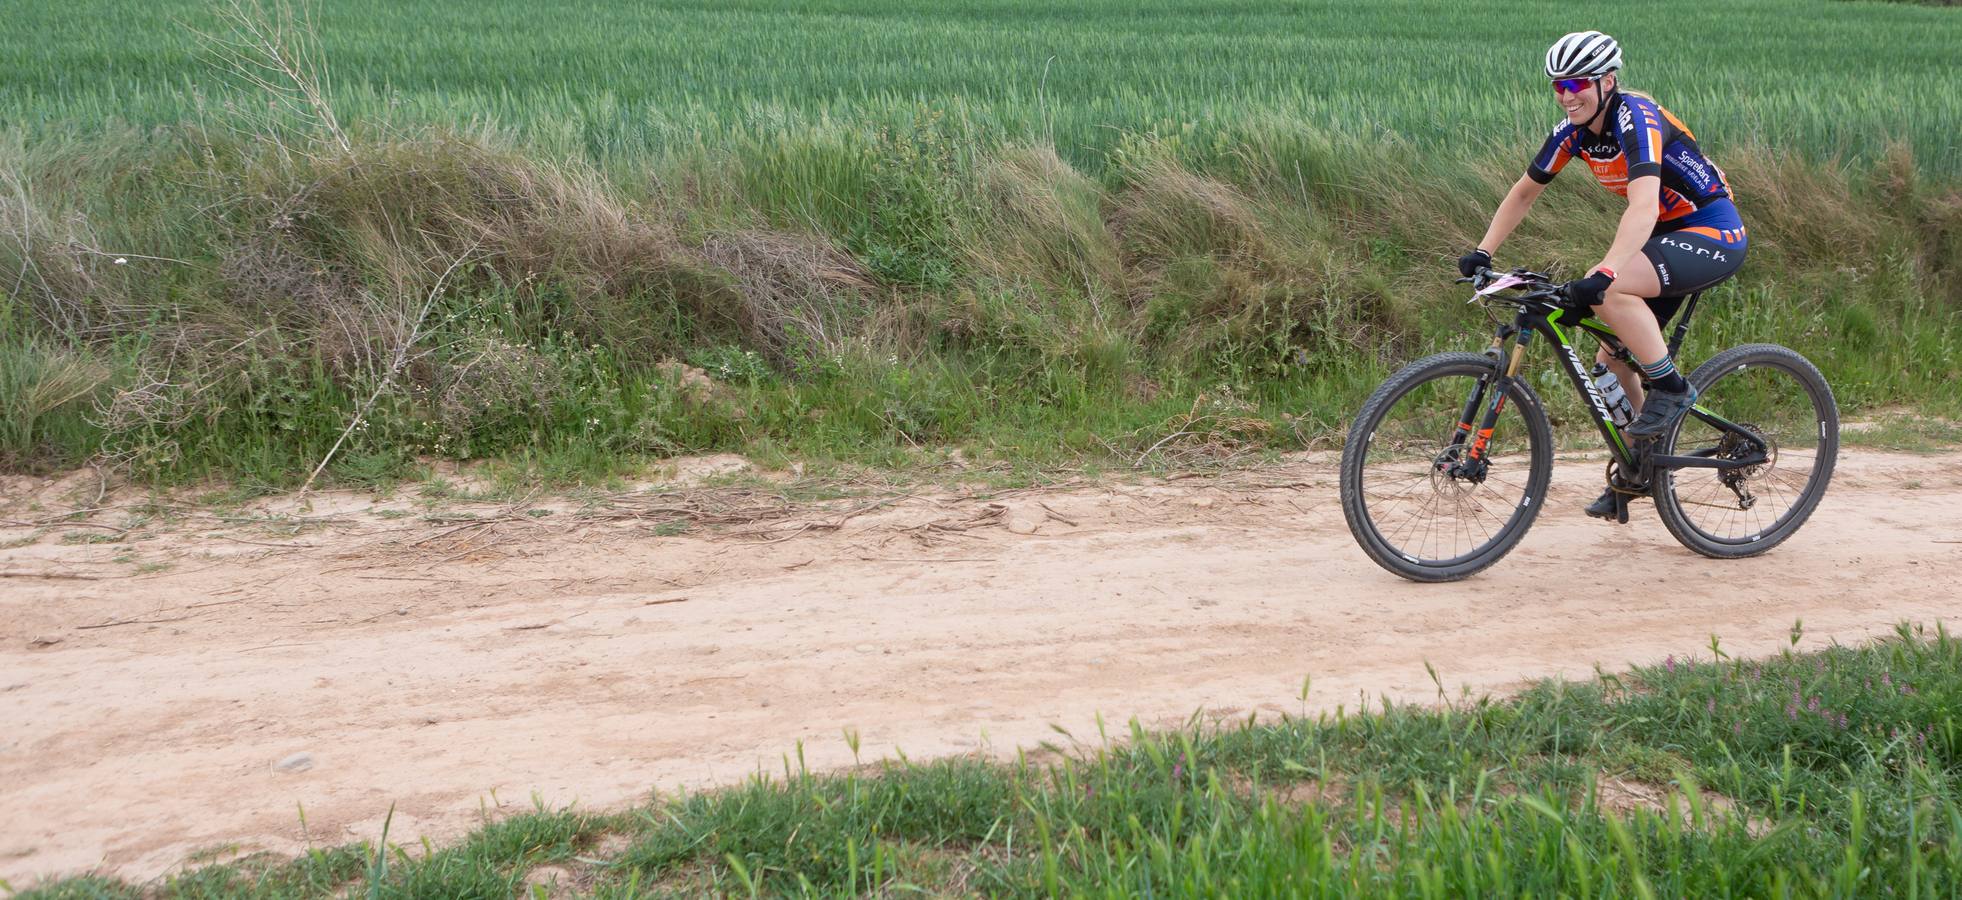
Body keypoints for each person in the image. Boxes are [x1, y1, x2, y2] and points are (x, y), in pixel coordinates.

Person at [1457, 30, 1749, 520]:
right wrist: (1482, 251)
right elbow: (1525, 192)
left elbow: (1641, 205)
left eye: (1576, 84)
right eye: (1558, 86)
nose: (1567, 95)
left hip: (1712, 231)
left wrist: (1608, 271)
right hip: (1662, 237)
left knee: (1605, 287)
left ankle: (1673, 390)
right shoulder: (1571, 131)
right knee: (1610, 362)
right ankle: (1642, 463)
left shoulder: (1637, 117)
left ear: (1606, 81)